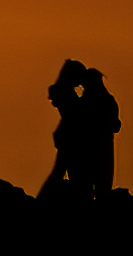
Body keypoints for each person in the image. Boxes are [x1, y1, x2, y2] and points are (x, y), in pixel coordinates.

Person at [40, 59, 88, 199]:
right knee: (62, 172)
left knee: (61, 171)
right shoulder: (67, 94)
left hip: (66, 135)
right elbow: (72, 117)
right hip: (70, 137)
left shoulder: (64, 92)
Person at [79, 67, 121, 198]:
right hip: (103, 150)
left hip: (92, 150)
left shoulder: (86, 102)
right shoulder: (109, 100)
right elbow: (116, 126)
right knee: (102, 189)